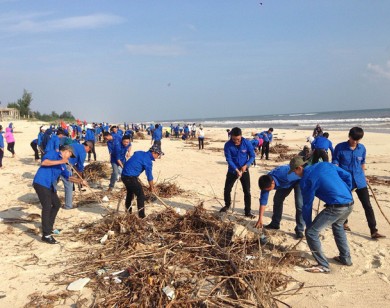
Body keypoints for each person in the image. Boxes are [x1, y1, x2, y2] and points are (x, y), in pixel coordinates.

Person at [289, 156, 354, 273]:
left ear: (299, 168)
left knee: (311, 233)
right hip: (349, 203)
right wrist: (346, 191)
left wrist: (309, 225)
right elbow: (348, 176)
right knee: (338, 226)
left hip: (337, 207)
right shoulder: (325, 164)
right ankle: (346, 258)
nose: (295, 174)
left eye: (294, 171)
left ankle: (323, 265)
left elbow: (307, 205)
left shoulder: (306, 180)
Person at [333, 127, 385, 239]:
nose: (355, 142)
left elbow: (362, 163)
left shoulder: (362, 148)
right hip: (345, 180)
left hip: (360, 180)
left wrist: (364, 176)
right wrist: (335, 175)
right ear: (349, 136)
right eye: (353, 139)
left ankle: (373, 230)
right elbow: (335, 162)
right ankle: (344, 223)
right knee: (345, 204)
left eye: (358, 140)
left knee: (367, 205)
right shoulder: (340, 147)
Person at [33, 145, 86, 244]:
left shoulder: (62, 165)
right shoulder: (53, 153)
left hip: (49, 185)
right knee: (47, 206)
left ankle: (50, 227)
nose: (69, 157)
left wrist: (80, 181)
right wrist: (61, 161)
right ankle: (46, 235)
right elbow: (44, 162)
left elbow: (68, 177)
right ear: (66, 151)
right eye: (70, 155)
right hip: (41, 182)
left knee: (56, 204)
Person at [256, 165, 304, 238]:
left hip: (299, 180)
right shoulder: (266, 183)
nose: (267, 191)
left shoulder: (285, 174)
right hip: (285, 184)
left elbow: (303, 173)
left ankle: (299, 229)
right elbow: (263, 201)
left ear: (273, 183)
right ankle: (275, 223)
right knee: (277, 200)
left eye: (269, 189)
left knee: (299, 204)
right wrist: (260, 218)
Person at [220, 127, 256, 218]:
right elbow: (229, 159)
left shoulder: (247, 143)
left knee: (247, 191)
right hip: (232, 170)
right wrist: (236, 170)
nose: (236, 141)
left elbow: (252, 156)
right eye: (234, 139)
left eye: (238, 139)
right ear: (231, 136)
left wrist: (246, 166)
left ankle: (247, 211)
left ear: (241, 136)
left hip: (244, 170)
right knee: (227, 189)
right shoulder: (228, 145)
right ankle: (227, 205)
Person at [121, 145, 163, 218]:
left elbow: (134, 157)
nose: (158, 156)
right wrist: (151, 187)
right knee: (140, 195)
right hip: (130, 177)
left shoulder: (140, 153)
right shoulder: (148, 161)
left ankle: (128, 212)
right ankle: (141, 216)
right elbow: (149, 175)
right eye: (158, 154)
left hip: (124, 175)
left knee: (130, 193)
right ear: (154, 153)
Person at [61, 141, 92, 209]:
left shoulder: (75, 144)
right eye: (89, 150)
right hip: (66, 164)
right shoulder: (83, 152)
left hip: (59, 161)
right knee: (69, 184)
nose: (88, 152)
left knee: (53, 181)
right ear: (87, 147)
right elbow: (80, 166)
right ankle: (68, 205)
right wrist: (80, 178)